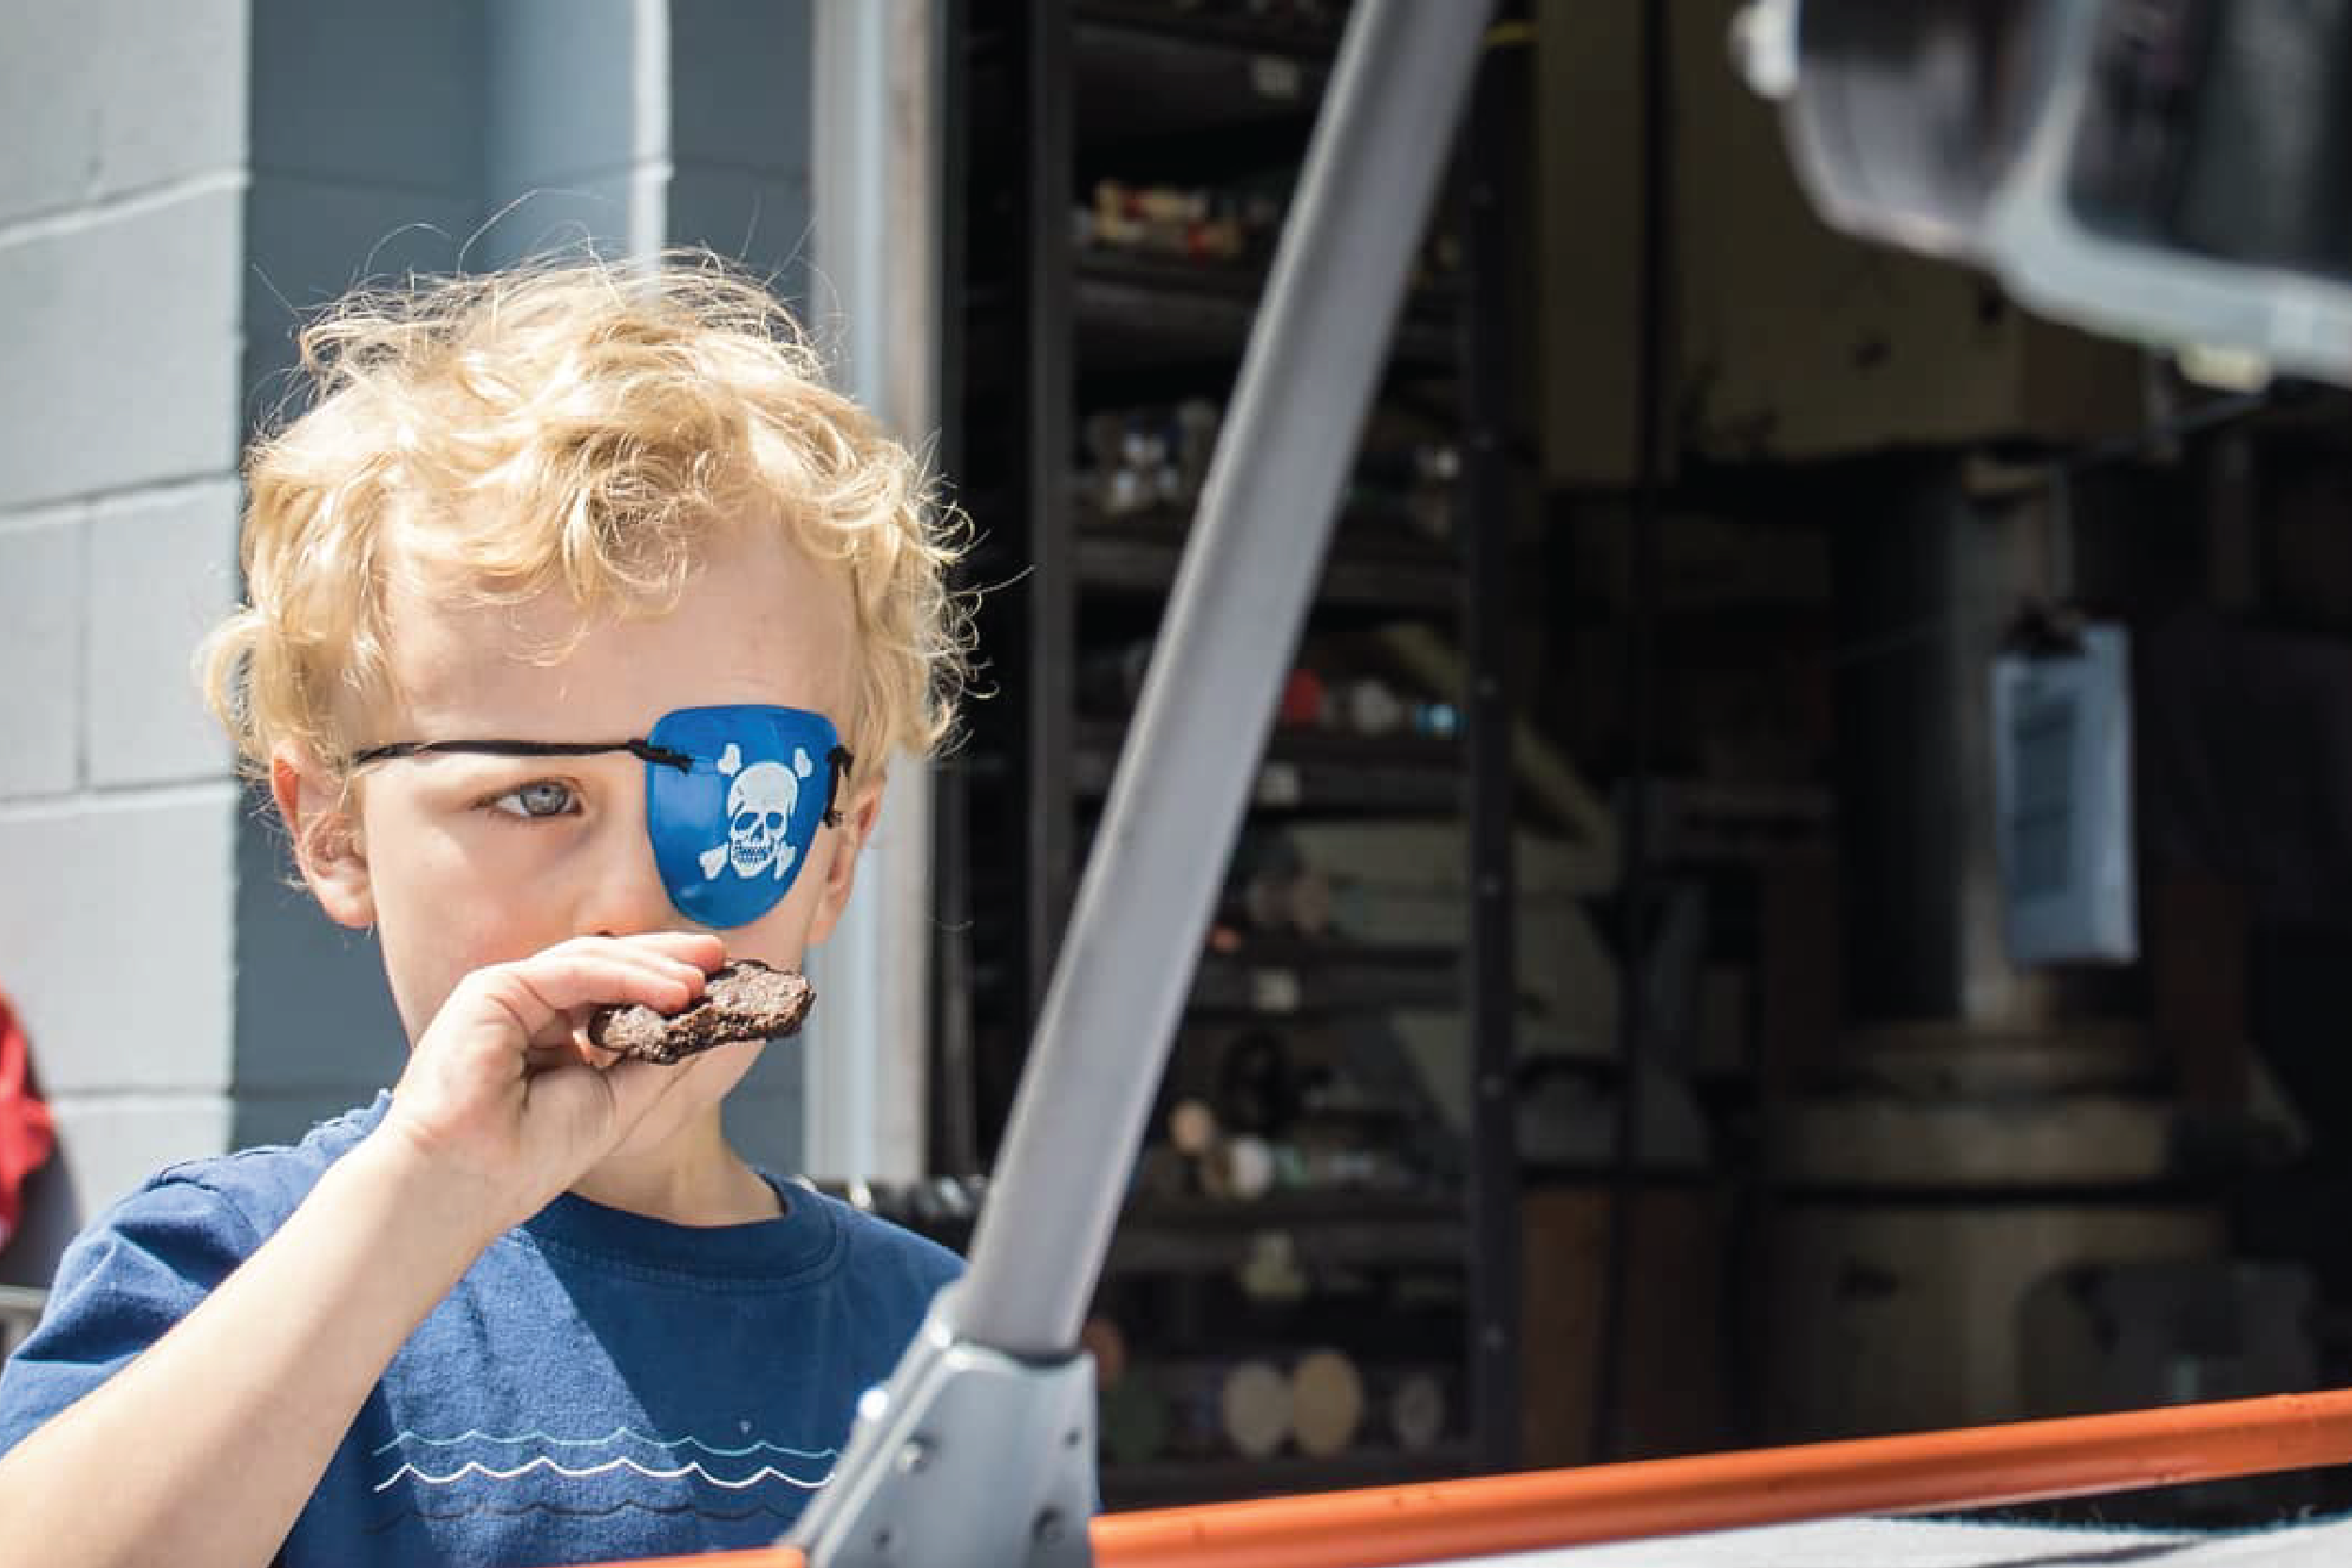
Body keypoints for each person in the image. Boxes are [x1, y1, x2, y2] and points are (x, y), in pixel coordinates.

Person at [0, 251, 973, 1567]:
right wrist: (422, 1198)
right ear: (334, 829)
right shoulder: (220, 1267)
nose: (629, 900)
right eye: (534, 796)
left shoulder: (942, 1351)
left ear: (837, 849)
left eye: (734, 797)